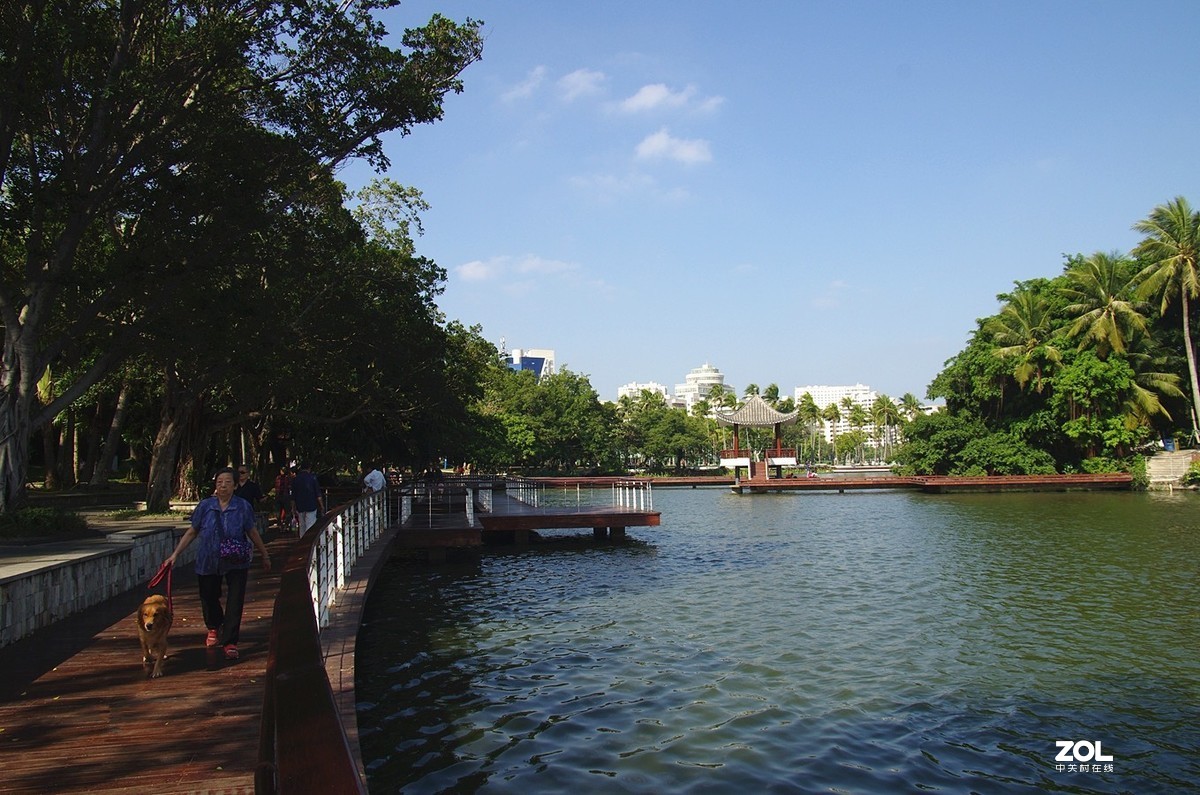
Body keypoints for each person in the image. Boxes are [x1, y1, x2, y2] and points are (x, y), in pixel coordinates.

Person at [164, 467, 271, 661]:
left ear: (235, 485)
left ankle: (230, 641)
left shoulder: (243, 506)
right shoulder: (206, 506)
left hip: (236, 560)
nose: (223, 485)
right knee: (208, 596)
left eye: (228, 482)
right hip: (208, 558)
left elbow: (252, 532)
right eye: (220, 482)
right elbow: (192, 531)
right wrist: (175, 555)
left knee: (235, 600)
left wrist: (265, 554)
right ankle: (214, 626)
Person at [290, 461, 324, 534]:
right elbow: (318, 494)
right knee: (310, 525)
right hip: (311, 505)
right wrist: (321, 506)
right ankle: (309, 543)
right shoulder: (313, 478)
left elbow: (293, 496)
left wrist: (293, 508)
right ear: (309, 468)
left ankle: (302, 542)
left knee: (302, 525)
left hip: (300, 505)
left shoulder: (296, 479)